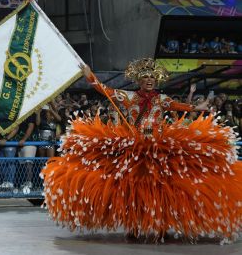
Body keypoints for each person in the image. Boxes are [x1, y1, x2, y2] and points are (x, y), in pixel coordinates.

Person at [41, 58, 242, 242]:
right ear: (138, 80)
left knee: (163, 190)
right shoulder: (127, 96)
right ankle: (134, 226)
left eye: (152, 77)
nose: (149, 80)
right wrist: (89, 75)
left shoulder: (161, 99)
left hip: (158, 150)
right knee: (132, 191)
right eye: (145, 77)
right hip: (134, 150)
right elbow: (104, 90)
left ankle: (161, 225)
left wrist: (197, 108)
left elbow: (180, 106)